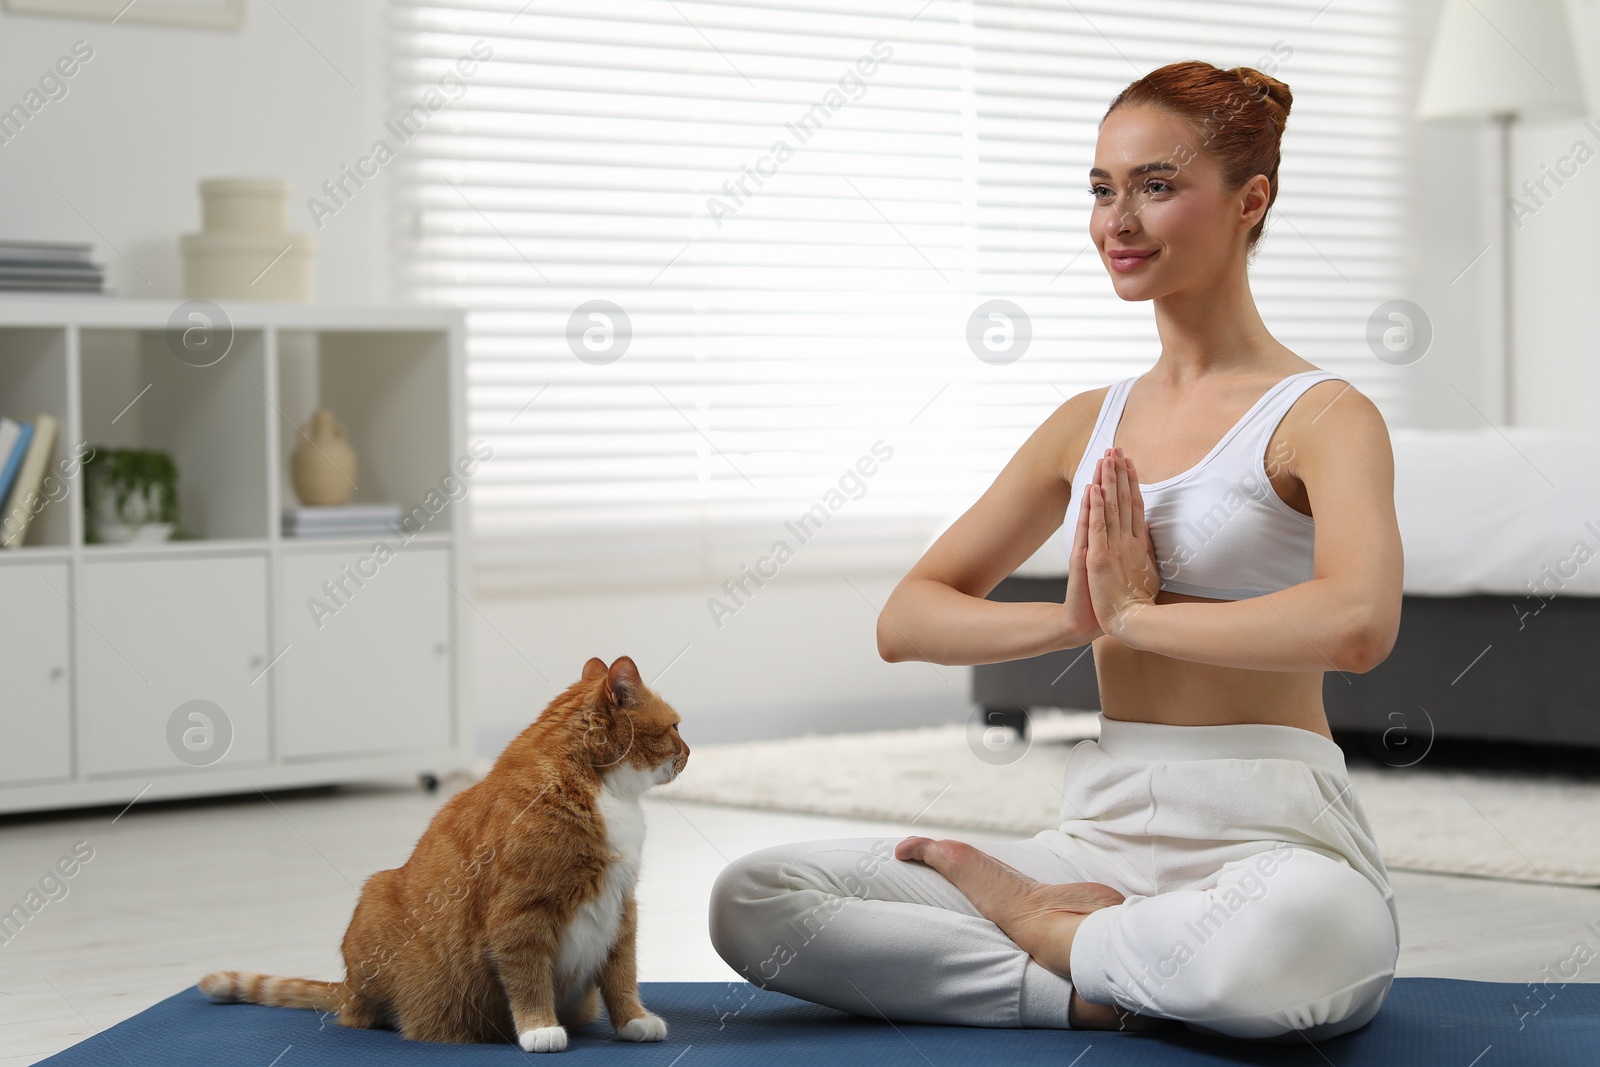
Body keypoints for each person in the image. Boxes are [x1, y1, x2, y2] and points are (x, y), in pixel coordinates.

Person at [706, 59, 1405, 1043]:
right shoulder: (1086, 421)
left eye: (1156, 187)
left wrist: (1138, 618)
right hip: (1097, 840)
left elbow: (1359, 622)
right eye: (1101, 188)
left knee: (1296, 931)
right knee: (755, 895)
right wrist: (1074, 619)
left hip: (1271, 840)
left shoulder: (1322, 415)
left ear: (1251, 200)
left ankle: (1049, 933)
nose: (1117, 220)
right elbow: (905, 619)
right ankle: (1078, 983)